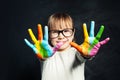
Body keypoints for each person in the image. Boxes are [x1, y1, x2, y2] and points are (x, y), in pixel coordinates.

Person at [24, 12, 110, 80]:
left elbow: (82, 56)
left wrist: (86, 55)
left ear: (73, 33)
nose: (61, 36)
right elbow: (43, 57)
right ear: (49, 35)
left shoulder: (78, 52)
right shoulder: (46, 53)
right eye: (54, 32)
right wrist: (43, 57)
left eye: (66, 31)